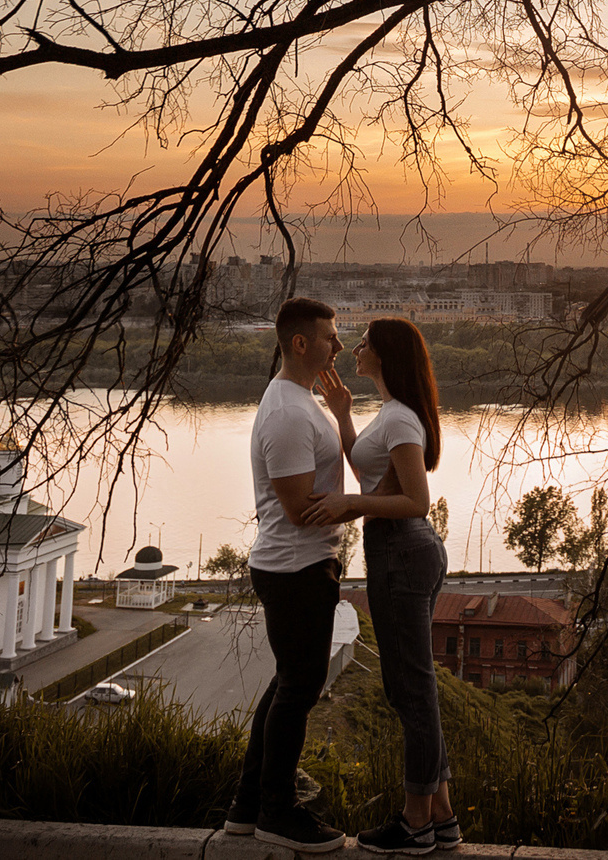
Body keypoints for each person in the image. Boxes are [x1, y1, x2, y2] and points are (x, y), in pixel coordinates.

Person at [317, 317, 458, 854]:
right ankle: (441, 816)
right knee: (409, 689)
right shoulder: (393, 413)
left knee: (413, 693)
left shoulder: (400, 421)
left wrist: (350, 505)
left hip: (402, 548)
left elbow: (414, 500)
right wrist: (344, 417)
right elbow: (369, 473)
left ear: (386, 354)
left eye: (366, 343)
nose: (356, 348)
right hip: (398, 551)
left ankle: (414, 822)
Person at [225, 295, 352, 853]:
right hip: (295, 568)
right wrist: (383, 501)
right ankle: (279, 812)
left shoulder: (303, 400)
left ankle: (246, 808)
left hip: (303, 565)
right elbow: (301, 509)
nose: (339, 345)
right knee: (299, 688)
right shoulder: (285, 412)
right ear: (300, 343)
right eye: (330, 336)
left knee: (287, 684)